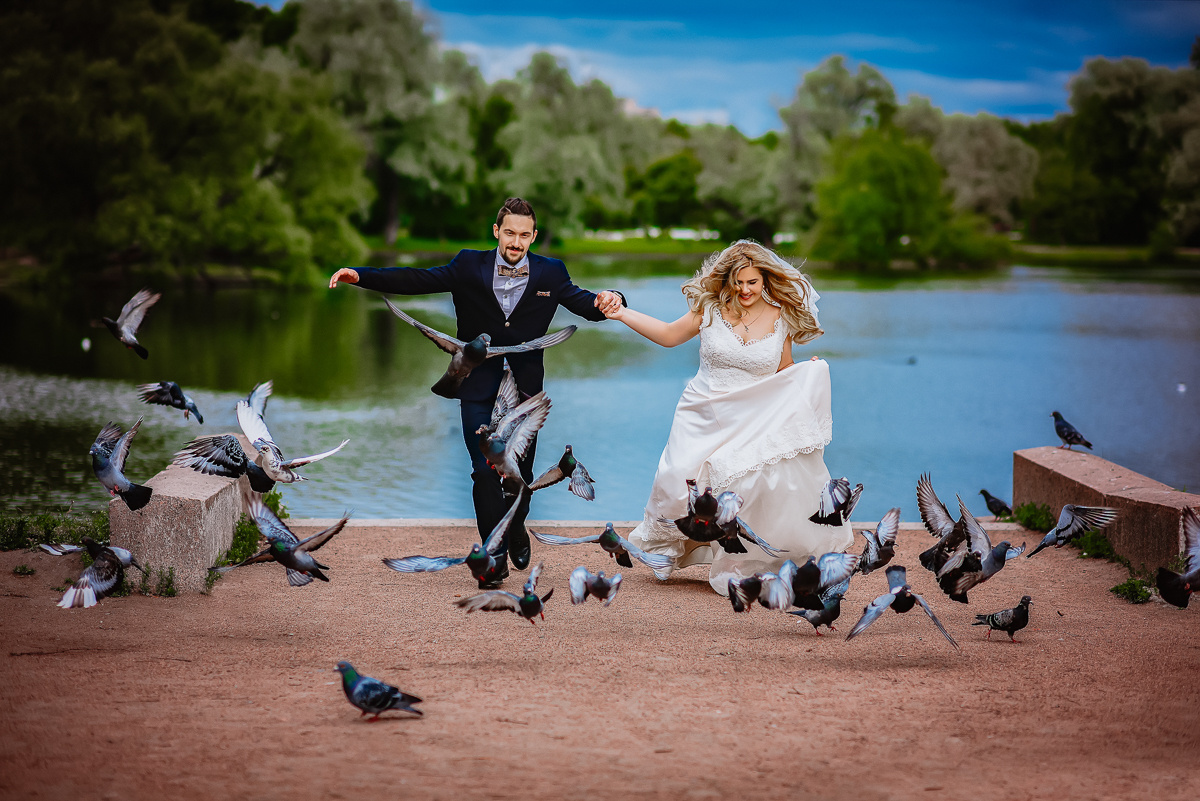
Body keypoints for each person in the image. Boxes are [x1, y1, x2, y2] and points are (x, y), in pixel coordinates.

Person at [329, 198, 625, 586]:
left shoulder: (551, 274)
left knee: (518, 475)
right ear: (496, 232)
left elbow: (587, 305)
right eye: (509, 233)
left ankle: (516, 525)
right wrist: (361, 276)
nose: (516, 242)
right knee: (483, 471)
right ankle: (495, 554)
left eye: (524, 235)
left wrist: (613, 298)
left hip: (524, 393)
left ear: (533, 236)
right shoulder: (469, 264)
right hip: (477, 386)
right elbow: (419, 279)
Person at [601, 240, 852, 595]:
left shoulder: (780, 315)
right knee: (678, 481)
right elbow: (670, 336)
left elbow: (784, 369)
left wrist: (804, 375)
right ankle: (667, 550)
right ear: (728, 280)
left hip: (754, 413)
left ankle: (742, 558)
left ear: (765, 279)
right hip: (703, 409)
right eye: (739, 282)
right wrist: (622, 313)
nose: (745, 290)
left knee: (747, 486)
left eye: (753, 282)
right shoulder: (711, 309)